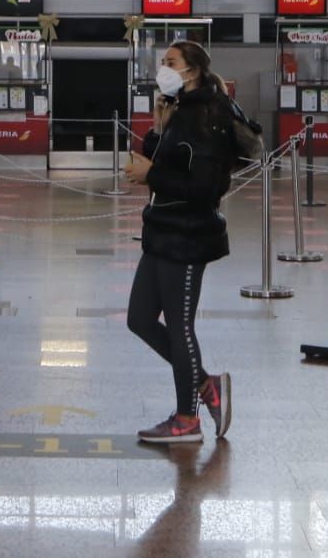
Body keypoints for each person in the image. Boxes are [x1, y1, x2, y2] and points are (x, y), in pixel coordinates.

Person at [123, 40, 244, 444]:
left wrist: (150, 176)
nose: (164, 68)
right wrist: (158, 130)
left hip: (188, 236)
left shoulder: (209, 115)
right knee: (139, 318)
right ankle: (208, 385)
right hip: (161, 230)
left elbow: (205, 188)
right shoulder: (181, 109)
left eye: (171, 63)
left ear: (192, 71)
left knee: (179, 326)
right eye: (163, 62)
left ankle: (187, 420)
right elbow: (172, 159)